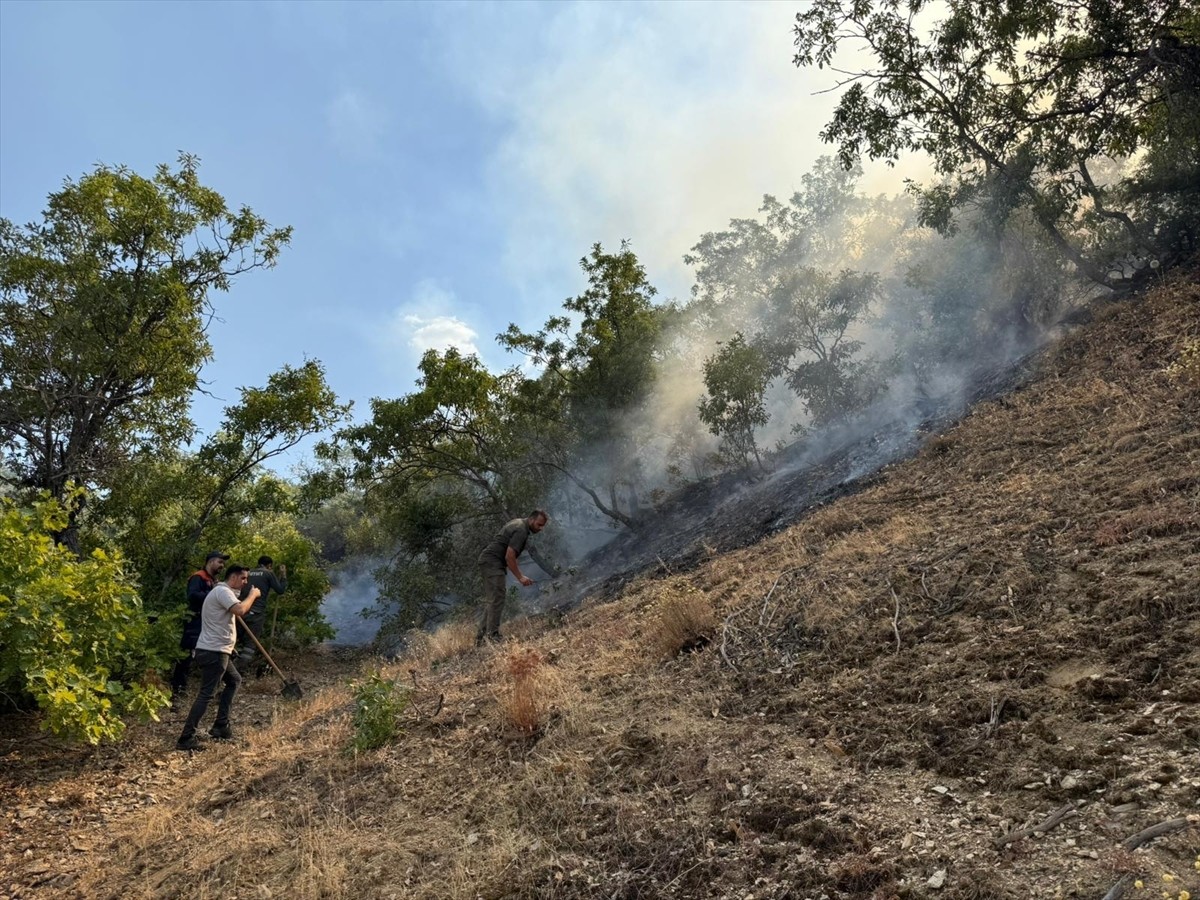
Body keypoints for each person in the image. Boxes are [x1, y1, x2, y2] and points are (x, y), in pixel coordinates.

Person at [176, 565, 260, 751]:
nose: (246, 583)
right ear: (234, 577)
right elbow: (240, 610)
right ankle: (186, 738)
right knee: (206, 694)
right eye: (244, 578)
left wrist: (231, 647)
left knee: (234, 680)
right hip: (214, 652)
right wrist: (253, 595)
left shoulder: (220, 592)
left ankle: (221, 726)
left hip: (217, 650)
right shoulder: (223, 591)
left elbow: (221, 623)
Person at [476, 509, 548, 645]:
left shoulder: (519, 523)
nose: (541, 528)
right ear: (532, 520)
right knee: (497, 598)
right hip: (492, 561)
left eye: (542, 525)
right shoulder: (521, 529)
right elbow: (509, 556)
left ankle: (481, 639)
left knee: (494, 598)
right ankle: (493, 636)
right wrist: (520, 577)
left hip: (491, 561)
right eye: (539, 525)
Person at [170, 551, 229, 705]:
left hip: (208, 623)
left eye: (223, 563)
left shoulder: (213, 581)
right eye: (220, 562)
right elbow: (193, 596)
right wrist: (214, 595)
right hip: (195, 622)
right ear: (210, 562)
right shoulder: (198, 577)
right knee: (186, 656)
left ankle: (212, 690)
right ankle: (178, 692)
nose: (222, 566)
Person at [236, 555, 288, 675]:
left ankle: (228, 668)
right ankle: (238, 672)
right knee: (249, 646)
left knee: (235, 641)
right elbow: (280, 590)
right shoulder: (268, 573)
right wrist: (283, 575)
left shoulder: (248, 573)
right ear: (269, 565)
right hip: (256, 614)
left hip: (241, 611)